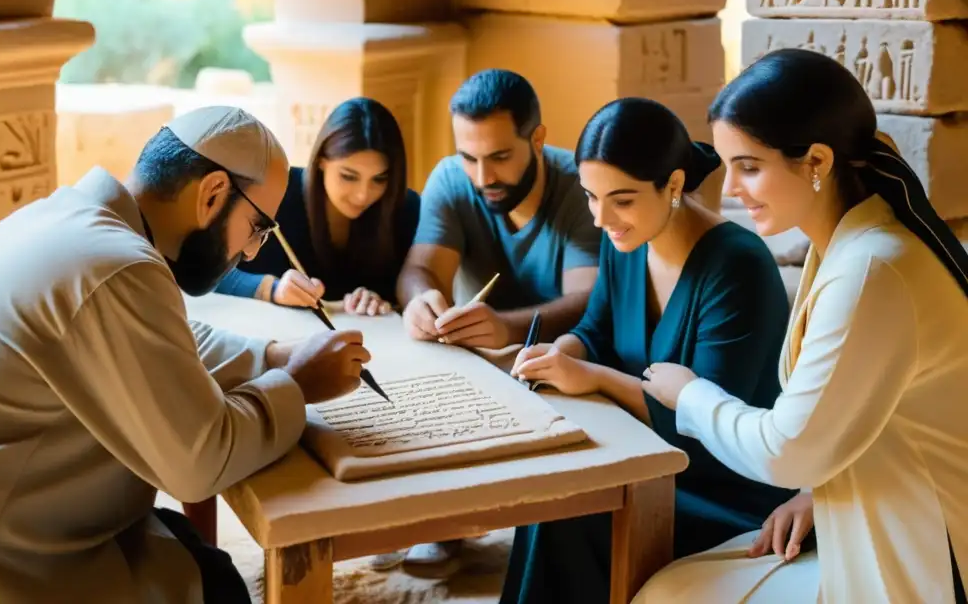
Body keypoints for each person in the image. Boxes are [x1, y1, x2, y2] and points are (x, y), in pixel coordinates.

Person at [0, 107, 370, 604]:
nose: (252, 254)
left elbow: (169, 339)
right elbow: (199, 463)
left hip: (14, 514)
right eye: (258, 227)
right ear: (212, 194)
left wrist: (275, 356)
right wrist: (297, 384)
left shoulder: (72, 220)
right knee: (217, 585)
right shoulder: (116, 262)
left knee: (193, 555)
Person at [638, 49, 968, 603]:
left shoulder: (873, 268)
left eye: (750, 166)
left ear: (816, 162)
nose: (735, 189)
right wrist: (818, 491)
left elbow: (783, 450)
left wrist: (691, 395)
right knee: (670, 588)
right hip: (857, 524)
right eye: (729, 166)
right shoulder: (850, 244)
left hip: (920, 561)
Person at [499, 98, 797, 604]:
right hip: (645, 457)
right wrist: (554, 355)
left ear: (675, 185)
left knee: (576, 510)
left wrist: (590, 377)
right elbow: (595, 329)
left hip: (725, 486)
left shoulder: (737, 267)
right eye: (590, 196)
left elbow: (708, 422)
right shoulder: (629, 242)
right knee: (551, 489)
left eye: (621, 199)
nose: (600, 218)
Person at [394, 69, 602, 575]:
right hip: (474, 353)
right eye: (469, 157)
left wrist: (507, 328)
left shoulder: (579, 184)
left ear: (538, 138)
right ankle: (442, 520)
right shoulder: (450, 178)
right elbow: (419, 271)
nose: (483, 176)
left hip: (565, 352)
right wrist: (423, 302)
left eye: (500, 157)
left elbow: (589, 300)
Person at [215, 98, 419, 315]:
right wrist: (271, 289)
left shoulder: (406, 208)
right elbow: (209, 272)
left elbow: (412, 292)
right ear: (322, 160)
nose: (362, 195)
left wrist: (380, 303)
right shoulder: (273, 192)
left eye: (379, 179)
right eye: (348, 176)